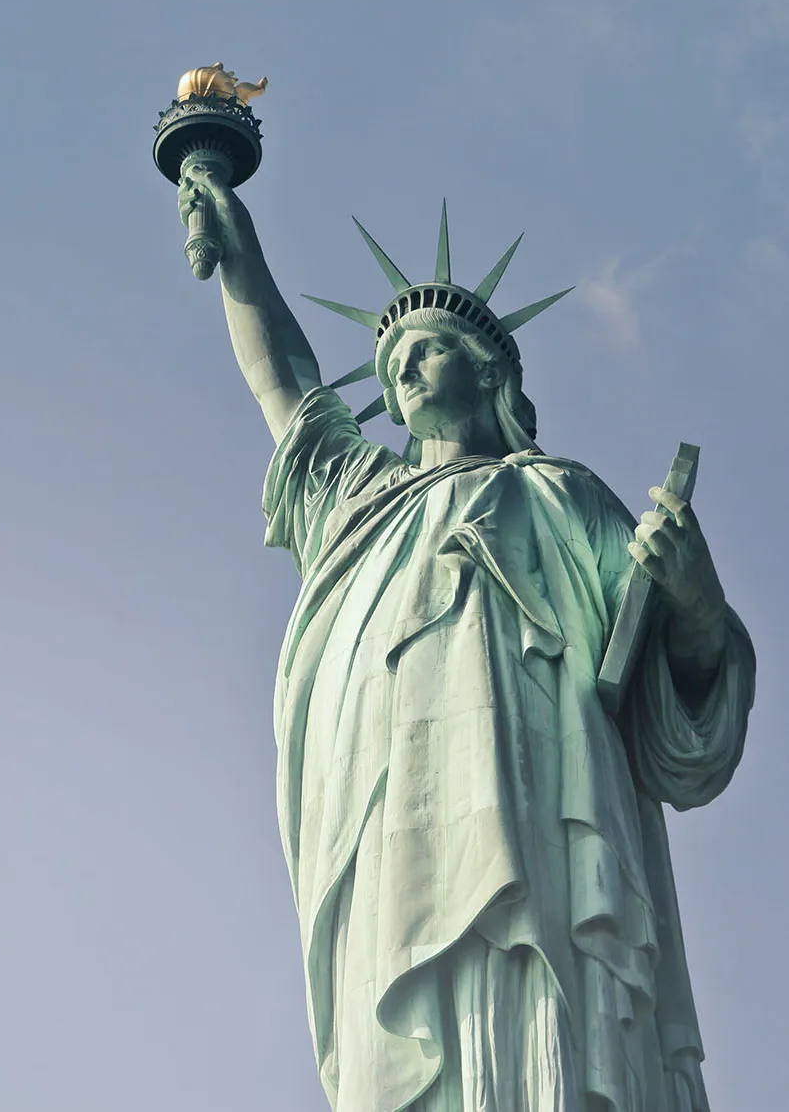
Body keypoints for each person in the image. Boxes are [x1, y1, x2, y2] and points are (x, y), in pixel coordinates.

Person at [178, 161, 755, 1112]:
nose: (401, 365)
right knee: (405, 1020)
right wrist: (242, 254)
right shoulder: (358, 505)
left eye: (427, 344)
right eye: (391, 355)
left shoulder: (559, 495)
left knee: (546, 1022)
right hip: (392, 818)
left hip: (548, 813)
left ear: (488, 371)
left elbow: (675, 708)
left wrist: (692, 601)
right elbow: (286, 387)